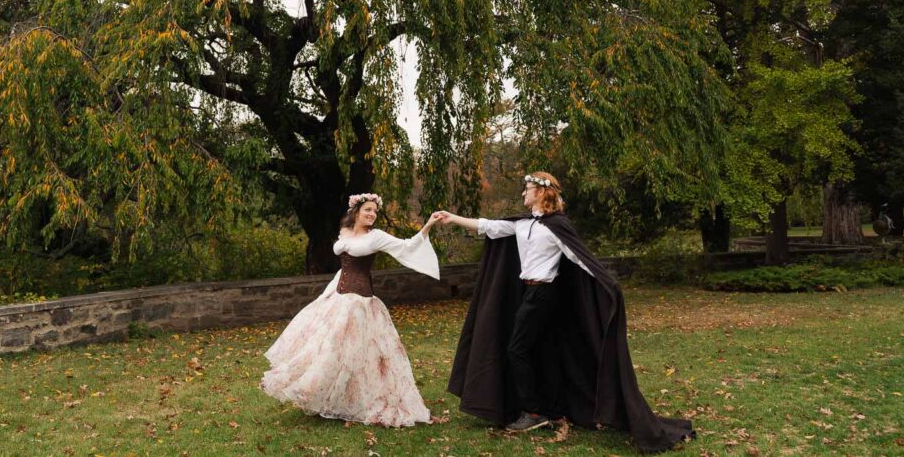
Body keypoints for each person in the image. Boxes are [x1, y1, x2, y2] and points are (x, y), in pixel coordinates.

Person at [437, 172, 695, 453]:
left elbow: (579, 257)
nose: (523, 193)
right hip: (528, 293)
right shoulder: (522, 224)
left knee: (516, 349)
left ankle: (534, 412)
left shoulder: (557, 226)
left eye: (527, 188)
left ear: (541, 192)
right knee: (542, 350)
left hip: (543, 295)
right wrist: (452, 217)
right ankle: (553, 407)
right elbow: (488, 226)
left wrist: (607, 285)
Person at [260, 193, 440, 427]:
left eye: (375, 211)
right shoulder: (344, 232)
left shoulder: (376, 237)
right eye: (368, 210)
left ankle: (359, 400)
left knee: (356, 353)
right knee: (327, 348)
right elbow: (343, 267)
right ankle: (328, 395)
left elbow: (408, 245)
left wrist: (429, 224)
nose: (372, 214)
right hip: (339, 297)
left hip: (359, 303)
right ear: (356, 212)